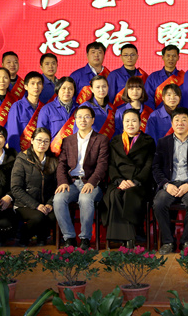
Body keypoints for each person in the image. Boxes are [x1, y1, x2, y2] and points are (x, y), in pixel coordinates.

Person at [152, 107, 188, 254]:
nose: (180, 123)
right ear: (172, 123)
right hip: (169, 184)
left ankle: (186, 241)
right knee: (159, 203)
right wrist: (166, 184)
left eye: (184, 120)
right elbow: (156, 167)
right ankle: (168, 242)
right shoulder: (163, 142)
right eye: (177, 120)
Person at [54, 105, 109, 250]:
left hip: (92, 183)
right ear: (75, 120)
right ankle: (69, 238)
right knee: (58, 199)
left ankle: (85, 238)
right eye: (79, 117)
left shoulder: (101, 139)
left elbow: (102, 165)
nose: (82, 120)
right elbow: (61, 164)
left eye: (86, 117)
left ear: (93, 120)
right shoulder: (68, 140)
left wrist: (92, 182)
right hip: (72, 183)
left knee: (85, 199)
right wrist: (62, 182)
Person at [105, 109, 156, 246]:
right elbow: (111, 165)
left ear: (140, 123)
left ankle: (127, 238)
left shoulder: (148, 141)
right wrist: (119, 181)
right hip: (119, 181)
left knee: (129, 194)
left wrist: (135, 181)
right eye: (127, 121)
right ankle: (127, 237)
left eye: (134, 121)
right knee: (114, 194)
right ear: (122, 123)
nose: (130, 124)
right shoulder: (115, 141)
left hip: (139, 183)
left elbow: (149, 165)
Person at [11, 127, 58, 246]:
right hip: (24, 204)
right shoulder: (22, 159)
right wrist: (36, 205)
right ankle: (23, 237)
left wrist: (50, 203)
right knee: (39, 216)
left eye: (46, 141)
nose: (42, 144)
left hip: (46, 203)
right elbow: (16, 188)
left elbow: (57, 186)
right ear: (32, 140)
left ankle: (42, 237)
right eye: (39, 140)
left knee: (55, 216)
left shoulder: (53, 160)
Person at [37, 77, 79, 154]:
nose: (67, 91)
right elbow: (41, 134)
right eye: (64, 88)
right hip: (54, 152)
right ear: (58, 89)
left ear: (74, 91)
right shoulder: (47, 109)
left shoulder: (80, 109)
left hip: (75, 152)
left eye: (70, 89)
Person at [7, 71, 46, 152]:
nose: (36, 86)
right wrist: (17, 155)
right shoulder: (17, 107)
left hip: (40, 152)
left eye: (39, 83)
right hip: (21, 153)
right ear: (25, 86)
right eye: (32, 83)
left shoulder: (44, 108)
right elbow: (13, 133)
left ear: (42, 87)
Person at [145, 45, 185, 109]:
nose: (171, 59)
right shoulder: (153, 77)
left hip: (179, 113)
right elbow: (148, 99)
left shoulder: (184, 77)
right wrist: (155, 114)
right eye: (168, 56)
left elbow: (187, 98)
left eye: (174, 56)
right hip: (158, 113)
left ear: (178, 58)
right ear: (163, 57)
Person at [82, 75, 116, 140]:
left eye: (104, 86)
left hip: (111, 144)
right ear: (92, 89)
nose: (101, 90)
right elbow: (79, 131)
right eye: (98, 87)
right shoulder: (85, 107)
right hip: (93, 144)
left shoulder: (112, 108)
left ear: (108, 87)